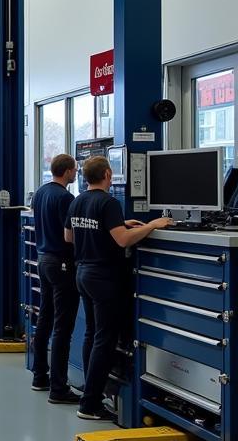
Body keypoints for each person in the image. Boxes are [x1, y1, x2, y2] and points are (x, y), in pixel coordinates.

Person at [65, 156, 172, 420]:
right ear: (107, 174)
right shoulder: (108, 202)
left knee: (92, 334)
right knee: (105, 339)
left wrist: (119, 224)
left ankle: (90, 393)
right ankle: (89, 405)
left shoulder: (78, 200)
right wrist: (151, 226)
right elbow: (123, 241)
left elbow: (69, 236)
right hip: (104, 277)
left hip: (83, 274)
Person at [29, 153, 81, 403]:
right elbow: (70, 234)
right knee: (63, 326)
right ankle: (59, 388)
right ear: (68, 171)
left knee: (45, 318)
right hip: (61, 263)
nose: (77, 173)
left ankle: (40, 376)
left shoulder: (40, 192)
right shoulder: (65, 197)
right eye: (75, 170)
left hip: (43, 260)